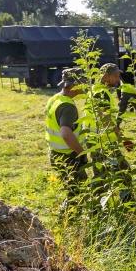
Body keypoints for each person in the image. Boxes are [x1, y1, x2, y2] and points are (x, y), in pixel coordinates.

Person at [44, 68, 90, 205]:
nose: (85, 86)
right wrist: (81, 152)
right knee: (78, 193)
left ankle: (67, 221)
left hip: (55, 154)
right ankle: (68, 222)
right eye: (82, 83)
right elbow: (66, 134)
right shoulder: (68, 107)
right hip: (68, 157)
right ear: (73, 85)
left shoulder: (55, 98)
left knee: (72, 191)